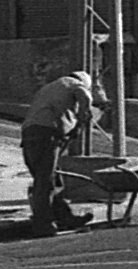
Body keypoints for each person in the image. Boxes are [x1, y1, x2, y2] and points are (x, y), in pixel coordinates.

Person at [18, 68, 102, 233]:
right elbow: (85, 98)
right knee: (46, 181)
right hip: (47, 134)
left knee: (52, 179)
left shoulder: (50, 87)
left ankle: (64, 217)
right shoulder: (75, 85)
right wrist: (82, 120)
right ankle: (43, 224)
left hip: (29, 134)